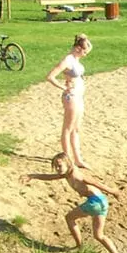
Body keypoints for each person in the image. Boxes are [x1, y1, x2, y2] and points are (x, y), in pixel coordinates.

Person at [21, 152, 127, 253]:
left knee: (69, 218)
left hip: (95, 202)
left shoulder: (76, 174)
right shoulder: (66, 174)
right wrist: (32, 176)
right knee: (99, 235)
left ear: (68, 164)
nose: (57, 169)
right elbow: (50, 177)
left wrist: (113, 191)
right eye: (55, 166)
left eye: (60, 166)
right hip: (102, 201)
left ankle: (79, 246)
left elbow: (94, 182)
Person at [46, 34, 93, 169]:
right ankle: (68, 158)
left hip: (78, 95)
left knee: (76, 129)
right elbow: (50, 77)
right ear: (78, 48)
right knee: (67, 129)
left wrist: (84, 38)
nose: (85, 55)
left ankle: (78, 159)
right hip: (71, 97)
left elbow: (87, 45)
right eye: (84, 52)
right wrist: (64, 87)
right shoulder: (67, 60)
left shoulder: (75, 59)